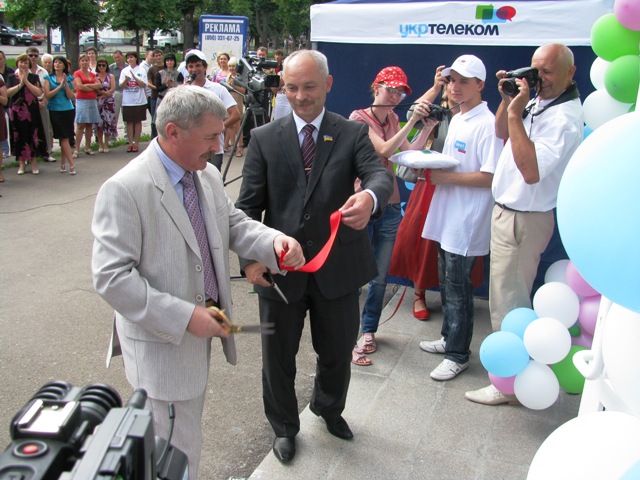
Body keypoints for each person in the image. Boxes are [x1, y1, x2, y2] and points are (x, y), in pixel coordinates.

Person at [91, 86, 305, 479]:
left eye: (221, 133)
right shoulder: (126, 188)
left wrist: (273, 242)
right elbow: (111, 278)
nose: (220, 144)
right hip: (163, 345)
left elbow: (232, 224)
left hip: (193, 336)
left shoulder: (202, 174)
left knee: (179, 438)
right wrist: (184, 315)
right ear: (173, 132)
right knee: (172, 450)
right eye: (211, 137)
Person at [235, 49, 393, 464]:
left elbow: (378, 174)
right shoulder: (265, 138)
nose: (301, 96)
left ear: (328, 84)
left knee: (338, 351)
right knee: (277, 358)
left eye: (309, 86)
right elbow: (247, 208)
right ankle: (285, 427)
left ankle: (328, 408)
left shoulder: (352, 133)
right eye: (291, 88)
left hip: (338, 268)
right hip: (279, 271)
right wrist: (250, 261)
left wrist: (370, 197)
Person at [465, 44, 583, 405]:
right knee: (506, 298)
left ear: (569, 74)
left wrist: (518, 115)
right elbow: (502, 130)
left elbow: (530, 172)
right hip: (509, 213)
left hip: (524, 219)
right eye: (534, 70)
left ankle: (510, 384)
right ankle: (513, 376)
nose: (538, 79)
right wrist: (508, 101)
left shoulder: (562, 118)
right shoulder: (540, 100)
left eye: (547, 72)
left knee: (509, 306)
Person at [417, 55, 503, 381]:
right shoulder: (459, 118)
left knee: (458, 288)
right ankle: (448, 338)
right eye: (452, 80)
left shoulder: (487, 124)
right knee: (447, 283)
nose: (455, 87)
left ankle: (458, 354)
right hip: (448, 215)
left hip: (466, 221)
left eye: (463, 81)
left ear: (480, 85)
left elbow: (490, 177)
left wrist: (446, 178)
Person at [348, 66, 434, 366]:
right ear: (376, 87)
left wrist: (426, 128)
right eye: (391, 89)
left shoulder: (395, 117)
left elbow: (406, 155)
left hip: (391, 206)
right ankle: (348, 335)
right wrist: (412, 119)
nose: (395, 96)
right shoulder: (358, 118)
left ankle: (368, 331)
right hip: (364, 206)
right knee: (356, 275)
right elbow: (385, 149)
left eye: (400, 92)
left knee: (380, 276)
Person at [184, 49, 239, 170]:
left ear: (205, 67)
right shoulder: (184, 91)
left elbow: (235, 114)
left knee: (213, 183)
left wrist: (219, 128)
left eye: (198, 65)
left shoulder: (218, 89)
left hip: (213, 148)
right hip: (191, 147)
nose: (194, 69)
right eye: (190, 66)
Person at [6, 53, 46, 175]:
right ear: (17, 63)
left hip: (31, 111)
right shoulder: (11, 77)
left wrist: (26, 82)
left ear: (29, 64)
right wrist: (20, 84)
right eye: (21, 62)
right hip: (17, 111)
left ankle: (33, 161)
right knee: (19, 136)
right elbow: (8, 93)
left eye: (25, 62)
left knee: (32, 134)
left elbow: (39, 92)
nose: (23, 64)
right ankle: (22, 163)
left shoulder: (33, 77)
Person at [44, 56, 76, 175]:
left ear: (64, 65)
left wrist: (66, 84)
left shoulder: (70, 78)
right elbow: (48, 94)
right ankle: (72, 163)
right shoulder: (49, 78)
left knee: (66, 137)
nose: (57, 64)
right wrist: (59, 86)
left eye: (59, 62)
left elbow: (69, 96)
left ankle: (63, 163)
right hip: (55, 110)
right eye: (55, 62)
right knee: (63, 137)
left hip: (67, 109)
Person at [27, 46, 53, 162]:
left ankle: (47, 152)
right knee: (28, 129)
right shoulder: (21, 71)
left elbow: (47, 89)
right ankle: (29, 155)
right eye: (31, 55)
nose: (33, 58)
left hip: (42, 102)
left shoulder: (43, 71)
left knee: (46, 128)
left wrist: (44, 102)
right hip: (27, 105)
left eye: (35, 56)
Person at [73, 53, 101, 157]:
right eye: (82, 60)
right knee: (81, 124)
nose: (84, 62)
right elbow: (80, 87)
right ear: (79, 62)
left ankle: (88, 147)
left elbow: (99, 85)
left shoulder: (92, 74)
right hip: (81, 100)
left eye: (86, 60)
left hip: (92, 100)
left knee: (89, 124)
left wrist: (88, 85)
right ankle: (76, 149)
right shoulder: (77, 73)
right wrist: (92, 86)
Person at [119, 51, 147, 152]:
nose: (130, 59)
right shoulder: (124, 71)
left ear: (136, 58)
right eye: (128, 58)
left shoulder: (142, 70)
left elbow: (143, 85)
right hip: (128, 101)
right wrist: (126, 79)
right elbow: (121, 86)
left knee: (138, 122)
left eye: (132, 57)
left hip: (139, 100)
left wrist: (135, 77)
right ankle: (130, 142)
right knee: (129, 122)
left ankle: (136, 143)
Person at [224, 57, 246, 156]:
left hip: (237, 100)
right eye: (229, 66)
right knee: (229, 125)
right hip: (228, 101)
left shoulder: (239, 77)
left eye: (233, 66)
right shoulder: (228, 76)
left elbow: (244, 91)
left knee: (237, 125)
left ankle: (240, 147)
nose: (231, 68)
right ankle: (233, 146)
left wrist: (234, 86)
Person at [95, 57, 117, 152]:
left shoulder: (110, 76)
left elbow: (112, 88)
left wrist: (106, 94)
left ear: (106, 66)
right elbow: (95, 89)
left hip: (109, 102)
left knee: (108, 122)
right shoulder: (94, 76)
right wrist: (103, 94)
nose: (101, 67)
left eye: (103, 65)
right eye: (99, 65)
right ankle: (99, 143)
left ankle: (106, 143)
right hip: (98, 101)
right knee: (99, 123)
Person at [146, 49, 163, 138]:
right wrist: (157, 88)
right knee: (154, 119)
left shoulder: (166, 67)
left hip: (165, 96)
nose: (158, 57)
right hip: (154, 96)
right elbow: (148, 82)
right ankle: (154, 138)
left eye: (159, 55)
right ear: (153, 57)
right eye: (156, 55)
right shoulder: (151, 69)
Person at [109, 50, 126, 137]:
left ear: (122, 56)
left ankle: (128, 137)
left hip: (127, 92)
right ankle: (112, 136)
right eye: (115, 58)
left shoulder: (128, 67)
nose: (117, 59)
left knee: (126, 116)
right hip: (116, 92)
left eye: (118, 57)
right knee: (114, 115)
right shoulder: (111, 68)